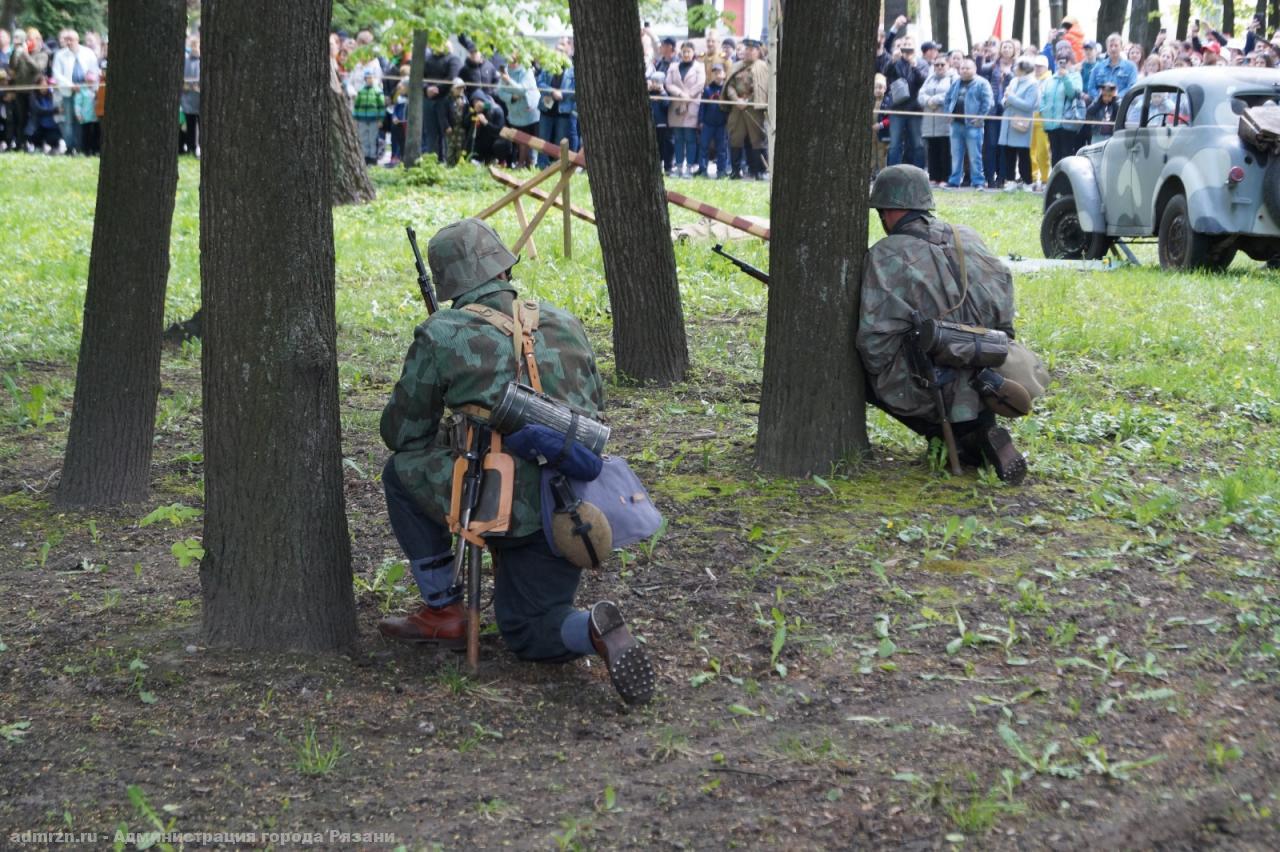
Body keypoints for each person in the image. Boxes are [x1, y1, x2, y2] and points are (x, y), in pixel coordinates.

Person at [377, 218, 656, 706]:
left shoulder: (441, 332)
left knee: (399, 472)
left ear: (448, 284)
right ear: (504, 266)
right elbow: (592, 405)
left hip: (490, 502)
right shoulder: (565, 321)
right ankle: (591, 627)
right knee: (535, 624)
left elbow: (402, 434)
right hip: (569, 507)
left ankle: (444, 608)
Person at [861, 165, 1028, 484]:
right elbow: (1003, 296)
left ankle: (958, 440)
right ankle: (980, 433)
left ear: (889, 211)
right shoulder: (966, 235)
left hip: (933, 385)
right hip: (988, 375)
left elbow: (873, 341)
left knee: (860, 370)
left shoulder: (885, 254)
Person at [723, 37, 769, 179]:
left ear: (757, 51)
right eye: (746, 49)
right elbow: (729, 85)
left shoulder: (763, 67)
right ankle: (735, 171)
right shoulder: (736, 66)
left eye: (751, 50)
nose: (748, 52)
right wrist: (736, 100)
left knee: (757, 140)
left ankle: (758, 171)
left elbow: (762, 88)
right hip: (737, 108)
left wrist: (748, 101)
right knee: (735, 138)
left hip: (754, 108)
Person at [944, 58, 993, 190]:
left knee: (975, 155)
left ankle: (978, 182)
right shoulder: (956, 82)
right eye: (962, 68)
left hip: (973, 126)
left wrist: (980, 118)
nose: (964, 71)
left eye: (967, 68)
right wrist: (947, 113)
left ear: (974, 69)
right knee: (956, 155)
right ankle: (954, 181)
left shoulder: (982, 83)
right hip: (956, 125)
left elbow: (987, 103)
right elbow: (947, 99)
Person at [51, 29, 97, 154]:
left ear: (77, 40)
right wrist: (70, 85)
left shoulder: (88, 53)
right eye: (66, 40)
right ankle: (70, 147)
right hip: (68, 92)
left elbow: (94, 70)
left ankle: (81, 146)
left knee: (83, 120)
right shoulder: (60, 55)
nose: (68, 42)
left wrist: (90, 85)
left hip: (85, 94)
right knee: (68, 121)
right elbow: (57, 74)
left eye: (71, 39)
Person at [884, 36, 927, 168]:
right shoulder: (895, 61)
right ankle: (892, 172)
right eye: (904, 45)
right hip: (897, 108)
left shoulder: (921, 63)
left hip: (915, 110)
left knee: (918, 144)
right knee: (894, 144)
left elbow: (923, 82)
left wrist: (914, 67)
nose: (907, 48)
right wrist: (893, 60)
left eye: (910, 45)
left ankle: (919, 173)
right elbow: (886, 73)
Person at [665, 40, 704, 177]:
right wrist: (681, 94)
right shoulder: (673, 66)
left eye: (689, 51)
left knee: (690, 138)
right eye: (684, 51)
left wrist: (687, 98)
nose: (686, 54)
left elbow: (700, 85)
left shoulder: (700, 67)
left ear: (693, 53)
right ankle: (679, 166)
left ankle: (689, 167)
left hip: (692, 106)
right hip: (676, 106)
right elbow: (668, 84)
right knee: (678, 138)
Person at [494, 50, 540, 168]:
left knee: (526, 142)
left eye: (513, 59)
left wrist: (509, 81)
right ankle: (526, 164)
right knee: (518, 141)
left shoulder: (526, 71)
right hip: (514, 114)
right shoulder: (505, 71)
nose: (510, 62)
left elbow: (523, 90)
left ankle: (523, 164)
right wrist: (512, 97)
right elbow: (500, 91)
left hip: (528, 114)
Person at [999, 56, 1038, 189]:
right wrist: (1005, 101)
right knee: (1008, 153)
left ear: (1024, 69)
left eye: (1016, 66)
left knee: (1023, 154)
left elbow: (1029, 105)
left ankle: (1027, 182)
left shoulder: (1033, 84)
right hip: (1008, 122)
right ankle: (1010, 181)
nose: (1014, 68)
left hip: (1021, 124)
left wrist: (1011, 98)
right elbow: (1005, 97)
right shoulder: (1014, 80)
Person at [1040, 44, 1083, 166]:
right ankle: (1055, 181)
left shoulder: (1075, 76)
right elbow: (1043, 97)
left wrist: (1066, 77)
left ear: (1071, 62)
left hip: (1067, 123)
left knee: (1067, 154)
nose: (1063, 64)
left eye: (1066, 61)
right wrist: (1044, 111)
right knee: (1055, 154)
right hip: (1051, 124)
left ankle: (1067, 181)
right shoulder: (1050, 79)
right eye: (1060, 61)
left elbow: (1073, 94)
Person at [422, 37, 463, 162]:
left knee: (446, 133)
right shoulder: (427, 59)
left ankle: (446, 161)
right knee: (431, 134)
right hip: (428, 100)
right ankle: (432, 161)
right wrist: (426, 89)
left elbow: (452, 77)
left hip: (445, 100)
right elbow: (420, 76)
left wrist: (437, 88)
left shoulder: (453, 59)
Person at [919, 55, 953, 185]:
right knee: (932, 149)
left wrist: (935, 99)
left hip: (943, 120)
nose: (939, 67)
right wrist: (928, 100)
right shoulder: (929, 78)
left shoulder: (952, 78)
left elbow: (951, 94)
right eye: (937, 65)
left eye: (942, 64)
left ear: (948, 65)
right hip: (929, 120)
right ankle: (934, 176)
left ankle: (945, 177)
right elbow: (920, 94)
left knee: (945, 150)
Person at [698, 62, 730, 178]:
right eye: (715, 73)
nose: (717, 75)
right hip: (708, 123)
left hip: (722, 124)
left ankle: (721, 170)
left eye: (719, 72)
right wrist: (701, 121)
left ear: (724, 74)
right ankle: (702, 169)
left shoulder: (727, 90)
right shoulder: (707, 90)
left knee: (722, 148)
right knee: (704, 147)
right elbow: (702, 106)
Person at [1089, 33, 1138, 101]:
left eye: (1116, 46)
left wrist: (1116, 97)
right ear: (1107, 48)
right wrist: (1101, 97)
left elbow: (1131, 87)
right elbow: (1091, 88)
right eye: (1111, 46)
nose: (1113, 48)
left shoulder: (1131, 67)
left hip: (1121, 106)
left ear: (1121, 47)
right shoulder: (1098, 67)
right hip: (1100, 106)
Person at [353, 68, 385, 164]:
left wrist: (381, 119)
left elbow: (381, 106)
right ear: (365, 79)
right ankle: (365, 156)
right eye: (368, 78)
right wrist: (355, 118)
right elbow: (356, 106)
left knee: (372, 138)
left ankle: (373, 157)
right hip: (362, 119)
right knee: (363, 139)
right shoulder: (361, 91)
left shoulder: (377, 91)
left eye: (371, 77)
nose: (370, 79)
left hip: (374, 119)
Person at [179, 35, 200, 156]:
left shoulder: (201, 61)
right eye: (192, 46)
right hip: (188, 100)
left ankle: (196, 148)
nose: (194, 48)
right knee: (190, 126)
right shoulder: (185, 61)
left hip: (198, 99)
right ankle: (192, 147)